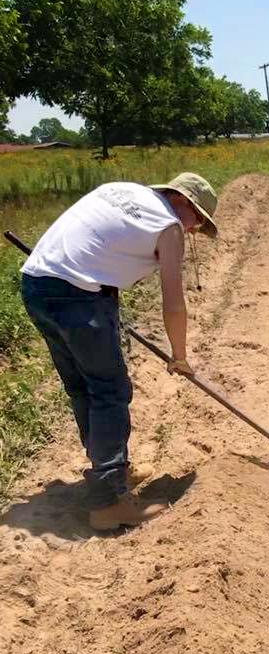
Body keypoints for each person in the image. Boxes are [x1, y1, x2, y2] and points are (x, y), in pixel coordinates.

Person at [20, 172, 218, 531]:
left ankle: (113, 473)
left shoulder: (120, 190)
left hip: (37, 284)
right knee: (109, 392)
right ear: (183, 202)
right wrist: (180, 355)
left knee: (83, 387)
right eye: (198, 221)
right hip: (78, 296)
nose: (192, 230)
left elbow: (98, 247)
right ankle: (110, 503)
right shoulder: (169, 225)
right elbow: (174, 301)